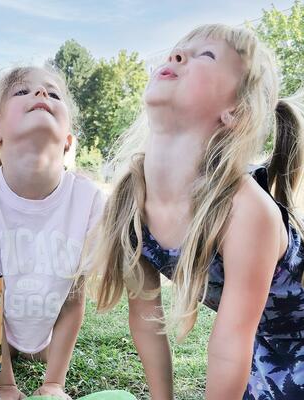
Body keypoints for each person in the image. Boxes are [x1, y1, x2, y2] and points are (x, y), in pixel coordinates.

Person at [93, 23, 304, 399]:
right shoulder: (130, 198)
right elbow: (146, 318)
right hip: (259, 343)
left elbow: (229, 344)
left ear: (233, 112)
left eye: (205, 55)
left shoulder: (244, 209)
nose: (176, 55)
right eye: (178, 49)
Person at [0, 66, 104, 400]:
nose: (41, 94)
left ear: (68, 140)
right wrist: (4, 385)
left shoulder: (89, 201)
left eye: (54, 93)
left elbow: (73, 300)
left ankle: (32, 350)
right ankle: (12, 357)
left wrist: (53, 384)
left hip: (49, 330)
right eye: (23, 92)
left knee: (39, 352)